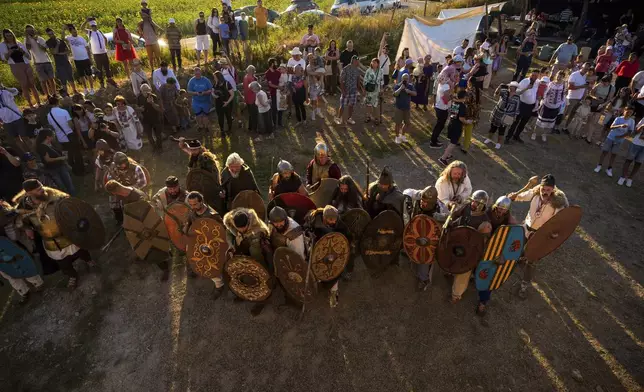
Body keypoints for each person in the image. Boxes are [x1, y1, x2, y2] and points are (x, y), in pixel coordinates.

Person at [14, 179, 96, 289]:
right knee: (62, 262)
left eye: (42, 187)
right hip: (50, 240)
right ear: (28, 193)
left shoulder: (57, 199)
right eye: (38, 190)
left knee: (80, 250)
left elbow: (72, 210)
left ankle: (89, 261)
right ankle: (72, 276)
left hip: (67, 233)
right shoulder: (23, 208)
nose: (42, 190)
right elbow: (21, 222)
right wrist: (27, 228)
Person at [508, 174, 568, 299]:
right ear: (540, 186)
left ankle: (524, 285)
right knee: (518, 248)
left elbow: (560, 221)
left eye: (548, 190)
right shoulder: (535, 193)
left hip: (540, 235)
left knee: (532, 261)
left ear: (553, 190)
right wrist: (515, 196)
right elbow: (524, 195)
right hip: (526, 228)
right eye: (543, 189)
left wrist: (555, 233)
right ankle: (517, 260)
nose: (545, 192)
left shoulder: (557, 203)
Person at [223, 208, 272, 315]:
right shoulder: (232, 221)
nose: (240, 230)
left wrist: (251, 266)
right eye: (238, 228)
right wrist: (231, 245)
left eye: (243, 228)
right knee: (241, 274)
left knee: (260, 277)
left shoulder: (257, 232)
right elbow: (229, 232)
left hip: (259, 253)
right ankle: (243, 293)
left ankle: (262, 299)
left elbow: (257, 261)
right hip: (243, 249)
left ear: (248, 223)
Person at [446, 190, 492, 304]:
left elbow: (482, 243)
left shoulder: (485, 222)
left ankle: (456, 295)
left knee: (463, 273)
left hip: (469, 250)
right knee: (450, 258)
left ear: (482, 205)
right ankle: (450, 272)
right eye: (472, 201)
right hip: (457, 241)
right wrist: (451, 219)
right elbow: (455, 214)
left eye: (476, 203)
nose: (473, 204)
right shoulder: (467, 207)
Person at [402, 185, 448, 291]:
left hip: (429, 240)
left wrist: (442, 218)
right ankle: (410, 257)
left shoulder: (440, 207)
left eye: (426, 203)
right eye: (423, 201)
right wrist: (408, 199)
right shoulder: (419, 195)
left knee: (424, 260)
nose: (423, 203)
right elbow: (407, 190)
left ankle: (424, 279)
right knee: (412, 250)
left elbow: (449, 218)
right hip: (415, 233)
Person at [303, 205, 351, 307]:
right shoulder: (314, 219)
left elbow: (347, 238)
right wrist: (309, 233)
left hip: (334, 251)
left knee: (334, 270)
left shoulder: (340, 224)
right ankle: (317, 281)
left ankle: (334, 292)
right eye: (330, 219)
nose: (333, 222)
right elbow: (305, 228)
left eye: (335, 219)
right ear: (324, 218)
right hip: (318, 247)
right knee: (315, 265)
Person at [183, 191, 225, 296]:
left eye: (195, 204)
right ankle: (195, 269)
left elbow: (222, 231)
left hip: (213, 244)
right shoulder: (192, 212)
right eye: (191, 204)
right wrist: (186, 229)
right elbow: (189, 225)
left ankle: (219, 285)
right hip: (198, 241)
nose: (193, 207)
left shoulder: (212, 215)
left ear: (201, 202)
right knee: (192, 255)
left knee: (210, 264)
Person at [0, 29, 41, 107]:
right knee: (24, 84)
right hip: (15, 65)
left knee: (32, 83)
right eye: (7, 36)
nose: (9, 37)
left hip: (25, 63)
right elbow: (4, 58)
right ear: (4, 36)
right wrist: (10, 51)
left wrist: (22, 51)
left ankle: (38, 102)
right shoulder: (3, 45)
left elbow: (29, 57)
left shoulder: (18, 43)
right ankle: (30, 104)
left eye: (10, 35)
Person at [105, 151, 148, 223]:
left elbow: (143, 182)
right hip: (119, 191)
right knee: (114, 201)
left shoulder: (136, 168)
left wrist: (128, 188)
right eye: (119, 165)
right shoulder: (113, 168)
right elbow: (109, 178)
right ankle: (120, 220)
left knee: (138, 208)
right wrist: (116, 184)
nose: (121, 166)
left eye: (123, 164)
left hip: (135, 192)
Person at [594, 106, 636, 178]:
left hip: (620, 140)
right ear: (624, 111)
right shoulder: (618, 118)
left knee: (614, 154)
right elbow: (611, 127)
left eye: (631, 113)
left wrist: (621, 136)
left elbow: (630, 132)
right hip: (611, 137)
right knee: (605, 151)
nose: (629, 114)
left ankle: (609, 169)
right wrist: (620, 126)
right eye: (628, 112)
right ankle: (599, 165)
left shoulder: (632, 121)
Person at [429, 56, 462, 148]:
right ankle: (433, 142)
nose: (454, 76)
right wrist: (454, 97)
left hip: (440, 107)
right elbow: (446, 99)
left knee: (439, 125)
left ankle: (434, 139)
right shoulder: (446, 86)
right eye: (453, 75)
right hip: (442, 108)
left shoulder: (441, 84)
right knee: (439, 125)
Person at [46, 95, 84, 176]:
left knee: (69, 155)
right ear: (58, 102)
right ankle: (81, 170)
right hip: (70, 135)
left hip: (61, 138)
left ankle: (73, 171)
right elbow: (70, 124)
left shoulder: (49, 115)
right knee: (77, 154)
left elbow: (52, 127)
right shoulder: (63, 111)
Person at [505, 69, 539, 144]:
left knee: (523, 122)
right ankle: (508, 137)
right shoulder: (525, 81)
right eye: (533, 75)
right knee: (515, 121)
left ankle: (516, 136)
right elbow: (517, 92)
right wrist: (527, 88)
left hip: (530, 106)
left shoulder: (537, 82)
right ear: (530, 74)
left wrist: (536, 103)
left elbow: (536, 93)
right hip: (522, 104)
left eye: (536, 76)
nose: (534, 77)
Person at [485, 81, 521, 149]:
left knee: (502, 130)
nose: (511, 87)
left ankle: (498, 143)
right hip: (498, 112)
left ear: (515, 88)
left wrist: (514, 117)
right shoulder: (504, 92)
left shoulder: (517, 97)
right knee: (493, 127)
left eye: (512, 86)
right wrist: (499, 87)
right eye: (510, 86)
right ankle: (489, 139)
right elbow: (496, 94)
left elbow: (517, 108)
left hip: (508, 115)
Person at [438, 90, 470, 165]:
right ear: (464, 97)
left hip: (451, 123)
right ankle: (443, 158)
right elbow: (461, 118)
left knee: (450, 141)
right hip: (457, 126)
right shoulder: (462, 106)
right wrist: (467, 122)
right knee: (453, 143)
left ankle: (448, 154)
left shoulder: (454, 102)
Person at [532, 70, 566, 142]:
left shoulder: (563, 86)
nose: (559, 77)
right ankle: (534, 133)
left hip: (555, 107)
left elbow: (563, 96)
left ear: (563, 78)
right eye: (558, 76)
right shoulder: (550, 84)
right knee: (540, 121)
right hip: (546, 105)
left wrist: (560, 105)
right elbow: (545, 94)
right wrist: (543, 102)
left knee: (549, 123)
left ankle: (544, 134)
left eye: (561, 77)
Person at [81, 18, 115, 89]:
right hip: (96, 54)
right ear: (91, 27)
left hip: (104, 52)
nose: (94, 27)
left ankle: (109, 81)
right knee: (99, 69)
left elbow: (105, 38)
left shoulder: (100, 31)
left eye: (95, 26)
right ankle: (102, 84)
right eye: (92, 26)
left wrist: (105, 47)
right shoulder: (90, 32)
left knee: (107, 68)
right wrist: (86, 21)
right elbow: (82, 28)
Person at [24, 25, 55, 97]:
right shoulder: (26, 40)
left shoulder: (40, 38)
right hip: (37, 63)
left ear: (34, 30)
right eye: (28, 31)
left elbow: (45, 49)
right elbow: (28, 48)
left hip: (47, 61)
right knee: (43, 81)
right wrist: (27, 37)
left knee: (51, 79)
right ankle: (48, 96)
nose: (30, 32)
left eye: (31, 30)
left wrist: (37, 41)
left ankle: (54, 94)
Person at [562, 63, 593, 134]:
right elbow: (570, 87)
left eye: (587, 69)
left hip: (580, 99)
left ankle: (565, 127)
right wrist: (582, 86)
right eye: (585, 68)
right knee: (566, 113)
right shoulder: (574, 75)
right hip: (571, 97)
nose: (586, 70)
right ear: (582, 67)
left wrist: (588, 87)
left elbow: (585, 88)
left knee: (572, 114)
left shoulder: (586, 77)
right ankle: (556, 125)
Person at [44, 28, 77, 97]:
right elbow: (54, 52)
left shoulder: (60, 40)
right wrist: (58, 45)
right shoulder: (49, 42)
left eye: (52, 33)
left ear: (54, 32)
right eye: (49, 34)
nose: (51, 35)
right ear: (48, 35)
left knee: (70, 77)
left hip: (66, 61)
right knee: (63, 79)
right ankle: (66, 94)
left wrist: (61, 53)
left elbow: (68, 51)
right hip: (59, 63)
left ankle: (75, 91)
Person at [63, 24, 94, 95]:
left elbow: (87, 49)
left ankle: (92, 89)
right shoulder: (69, 38)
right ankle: (86, 89)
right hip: (77, 60)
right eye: (74, 32)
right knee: (81, 75)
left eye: (76, 31)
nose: (75, 33)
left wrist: (90, 58)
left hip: (85, 58)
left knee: (89, 74)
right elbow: (62, 38)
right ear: (70, 32)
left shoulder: (81, 38)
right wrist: (63, 30)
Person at [335, 55, 363, 126]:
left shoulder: (357, 70)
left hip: (353, 91)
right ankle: (339, 118)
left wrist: (358, 90)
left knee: (351, 105)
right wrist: (343, 90)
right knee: (343, 105)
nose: (358, 62)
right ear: (353, 61)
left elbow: (358, 80)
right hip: (346, 90)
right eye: (357, 61)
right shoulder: (346, 68)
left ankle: (349, 118)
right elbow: (341, 80)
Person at [0, 83, 27, 152]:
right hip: (6, 122)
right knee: (16, 139)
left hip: (17, 117)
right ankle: (27, 154)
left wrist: (5, 88)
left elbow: (15, 91)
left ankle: (34, 154)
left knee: (25, 137)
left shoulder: (5, 92)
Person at [137, 84, 164, 152]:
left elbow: (160, 109)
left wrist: (152, 103)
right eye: (144, 90)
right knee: (149, 135)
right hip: (145, 120)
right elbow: (137, 108)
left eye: (147, 90)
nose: (146, 92)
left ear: (150, 90)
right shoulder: (139, 98)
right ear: (141, 91)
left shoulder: (154, 97)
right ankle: (154, 147)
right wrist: (139, 109)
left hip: (155, 118)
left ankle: (160, 147)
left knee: (158, 134)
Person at [618, 117, 644, 187]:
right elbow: (635, 132)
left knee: (638, 163)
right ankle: (623, 177)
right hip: (636, 143)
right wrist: (641, 126)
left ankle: (630, 179)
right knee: (628, 160)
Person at [186, 67, 213, 133]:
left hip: (206, 101)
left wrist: (205, 92)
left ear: (201, 73)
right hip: (196, 101)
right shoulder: (192, 81)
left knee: (205, 115)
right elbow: (189, 91)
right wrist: (196, 93)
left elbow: (211, 89)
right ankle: (200, 126)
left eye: (199, 74)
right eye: (196, 74)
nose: (197, 75)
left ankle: (206, 127)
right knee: (198, 115)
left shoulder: (206, 80)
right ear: (194, 74)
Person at [392, 73, 416, 144]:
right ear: (401, 79)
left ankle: (402, 135)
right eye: (404, 78)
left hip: (407, 108)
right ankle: (397, 137)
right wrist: (400, 88)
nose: (405, 80)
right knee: (398, 123)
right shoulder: (398, 85)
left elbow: (415, 93)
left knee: (407, 123)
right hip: (399, 108)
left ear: (408, 79)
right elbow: (394, 94)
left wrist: (409, 91)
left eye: (406, 79)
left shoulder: (410, 86)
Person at [212, 70, 235, 136]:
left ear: (218, 77)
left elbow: (232, 94)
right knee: (220, 117)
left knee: (228, 117)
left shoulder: (227, 84)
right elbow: (212, 91)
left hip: (227, 103)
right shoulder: (215, 84)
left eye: (215, 77)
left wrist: (227, 102)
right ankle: (222, 130)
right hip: (218, 103)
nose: (214, 78)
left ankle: (230, 130)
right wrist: (214, 95)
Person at [364, 57, 384, 125]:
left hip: (376, 90)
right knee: (368, 104)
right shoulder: (368, 71)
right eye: (372, 62)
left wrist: (381, 89)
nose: (373, 63)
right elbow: (365, 80)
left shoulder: (381, 71)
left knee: (375, 105)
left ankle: (376, 118)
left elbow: (381, 80)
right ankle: (368, 116)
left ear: (378, 64)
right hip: (369, 90)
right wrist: (364, 89)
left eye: (375, 62)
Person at [243, 65, 258, 132]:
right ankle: (254, 128)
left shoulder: (245, 77)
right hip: (252, 97)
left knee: (250, 113)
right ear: (252, 71)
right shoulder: (251, 78)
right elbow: (255, 88)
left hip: (247, 97)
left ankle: (250, 127)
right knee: (254, 113)